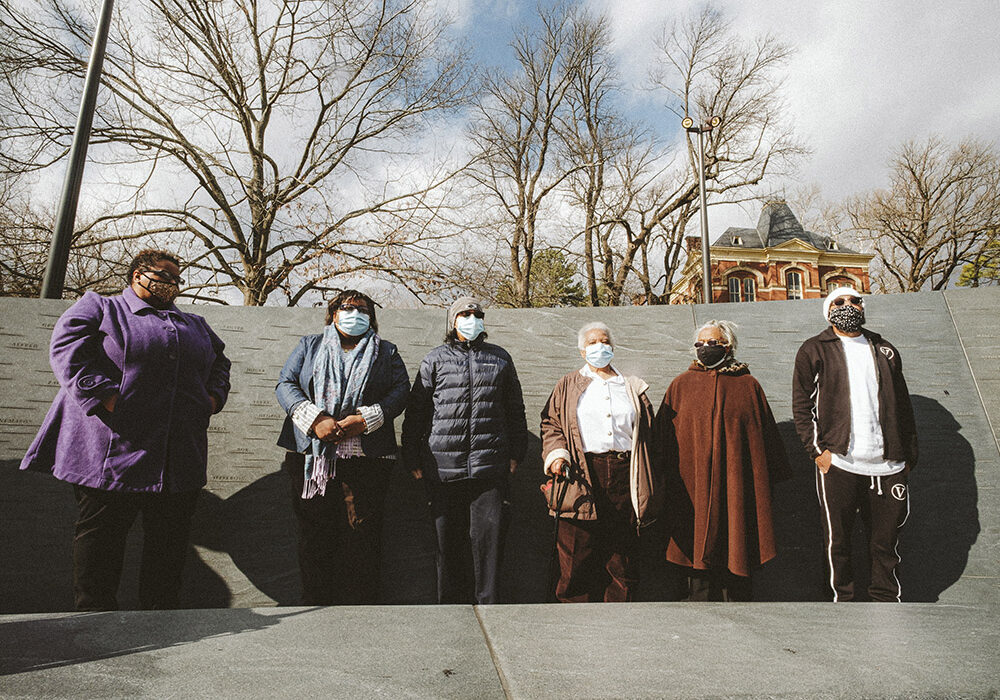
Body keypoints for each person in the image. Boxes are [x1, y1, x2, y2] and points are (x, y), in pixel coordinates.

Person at [20, 249, 231, 611]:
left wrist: (211, 400)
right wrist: (105, 396)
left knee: (168, 546)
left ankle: (162, 624)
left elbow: (220, 363)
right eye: (164, 275)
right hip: (111, 453)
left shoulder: (195, 324)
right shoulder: (100, 307)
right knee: (102, 541)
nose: (172, 284)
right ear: (137, 275)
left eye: (177, 279)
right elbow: (66, 347)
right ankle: (94, 623)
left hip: (178, 456)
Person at [275, 290, 409, 605]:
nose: (354, 313)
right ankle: (316, 606)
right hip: (312, 456)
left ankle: (360, 611)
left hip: (367, 459)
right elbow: (286, 383)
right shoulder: (310, 345)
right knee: (314, 534)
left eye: (362, 309)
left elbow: (401, 390)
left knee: (361, 536)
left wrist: (367, 418)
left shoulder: (386, 352)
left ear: (371, 317)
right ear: (333, 313)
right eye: (346, 307)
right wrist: (315, 420)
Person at [792, 286, 918, 602]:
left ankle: (887, 603)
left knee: (885, 542)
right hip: (840, 463)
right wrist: (817, 453)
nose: (848, 305)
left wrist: (907, 457)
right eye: (839, 301)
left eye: (855, 300)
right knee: (838, 542)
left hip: (888, 465)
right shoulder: (814, 350)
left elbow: (903, 406)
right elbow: (801, 406)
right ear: (828, 310)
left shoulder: (884, 349)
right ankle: (841, 603)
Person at [401, 297, 527, 604]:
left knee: (489, 544)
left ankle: (489, 608)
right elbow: (416, 411)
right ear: (453, 320)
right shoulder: (434, 359)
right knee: (447, 543)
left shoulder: (500, 359)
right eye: (464, 314)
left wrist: (516, 454)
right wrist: (412, 457)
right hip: (443, 467)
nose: (471, 319)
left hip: (489, 467)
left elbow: (514, 409)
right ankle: (450, 609)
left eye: (476, 314)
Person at [656, 320, 789, 601]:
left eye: (713, 343)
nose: (706, 348)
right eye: (700, 344)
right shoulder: (681, 385)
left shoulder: (748, 386)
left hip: (736, 486)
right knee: (695, 546)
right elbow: (662, 439)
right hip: (692, 489)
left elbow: (764, 439)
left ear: (728, 346)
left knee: (736, 541)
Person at [539, 322, 662, 603]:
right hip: (581, 473)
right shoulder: (568, 384)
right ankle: (575, 624)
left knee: (622, 556)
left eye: (604, 341)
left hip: (624, 473)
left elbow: (649, 433)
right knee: (576, 553)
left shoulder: (631, 387)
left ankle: (619, 624)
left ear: (613, 347)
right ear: (583, 351)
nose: (600, 346)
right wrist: (557, 455)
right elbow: (551, 424)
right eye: (593, 342)